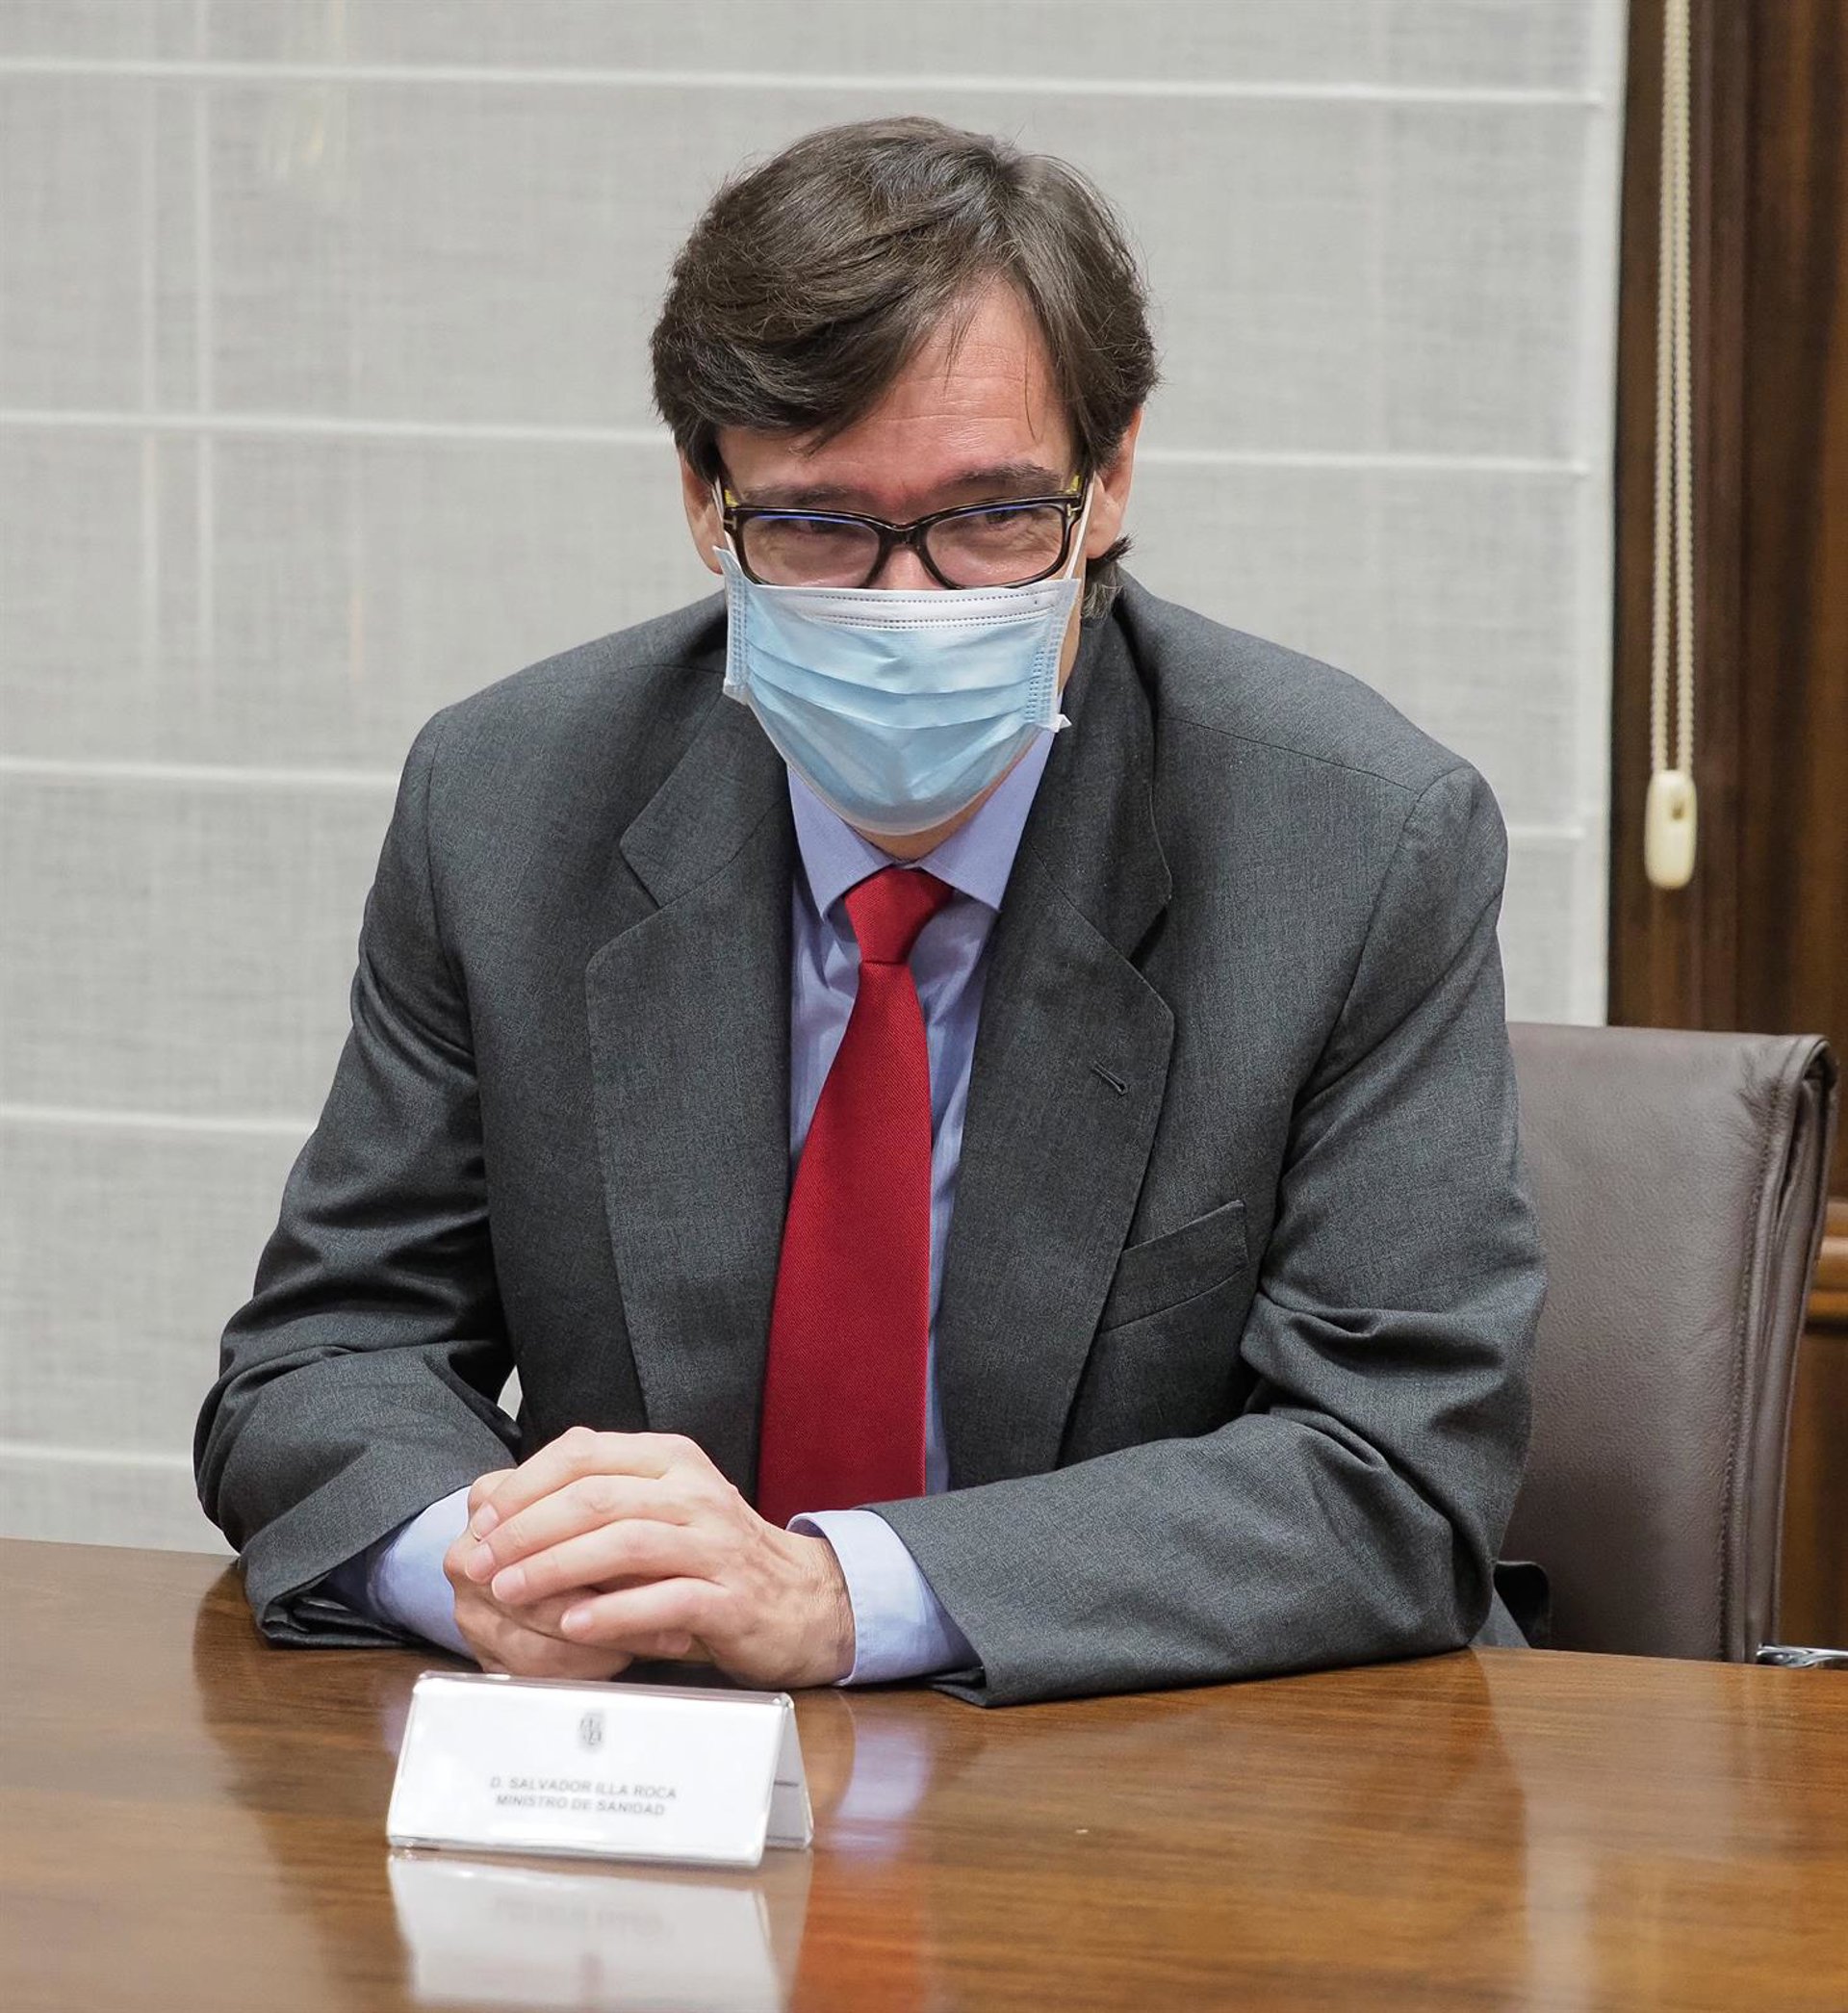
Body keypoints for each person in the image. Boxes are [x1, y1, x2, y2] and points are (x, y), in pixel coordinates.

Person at [195, 116, 1545, 1707]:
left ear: (1111, 480)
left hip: (1157, 1762)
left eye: (993, 518)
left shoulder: (1356, 842)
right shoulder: (506, 803)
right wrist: (500, 1569)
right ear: (706, 502)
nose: (910, 607)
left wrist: (840, 1598)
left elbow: (1391, 1478)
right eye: (820, 525)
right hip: (657, 1769)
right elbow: (321, 1363)